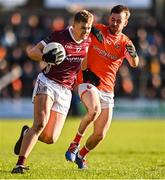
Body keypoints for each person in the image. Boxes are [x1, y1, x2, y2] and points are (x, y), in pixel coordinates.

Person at [11, 10, 99, 174]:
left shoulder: (88, 40)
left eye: (89, 28)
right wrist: (46, 57)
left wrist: (88, 76)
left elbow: (83, 63)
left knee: (50, 138)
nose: (86, 31)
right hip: (48, 82)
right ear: (74, 24)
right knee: (40, 123)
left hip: (65, 90)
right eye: (83, 28)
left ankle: (26, 134)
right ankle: (20, 164)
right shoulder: (60, 36)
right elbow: (32, 52)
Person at [65, 5, 139, 169]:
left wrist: (132, 52)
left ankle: (81, 155)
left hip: (107, 89)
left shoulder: (125, 42)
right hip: (88, 82)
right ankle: (74, 144)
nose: (114, 23)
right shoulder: (96, 29)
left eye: (118, 21)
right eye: (112, 19)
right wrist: (84, 69)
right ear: (109, 18)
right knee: (94, 111)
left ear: (125, 23)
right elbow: (79, 29)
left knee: (99, 135)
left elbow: (134, 63)